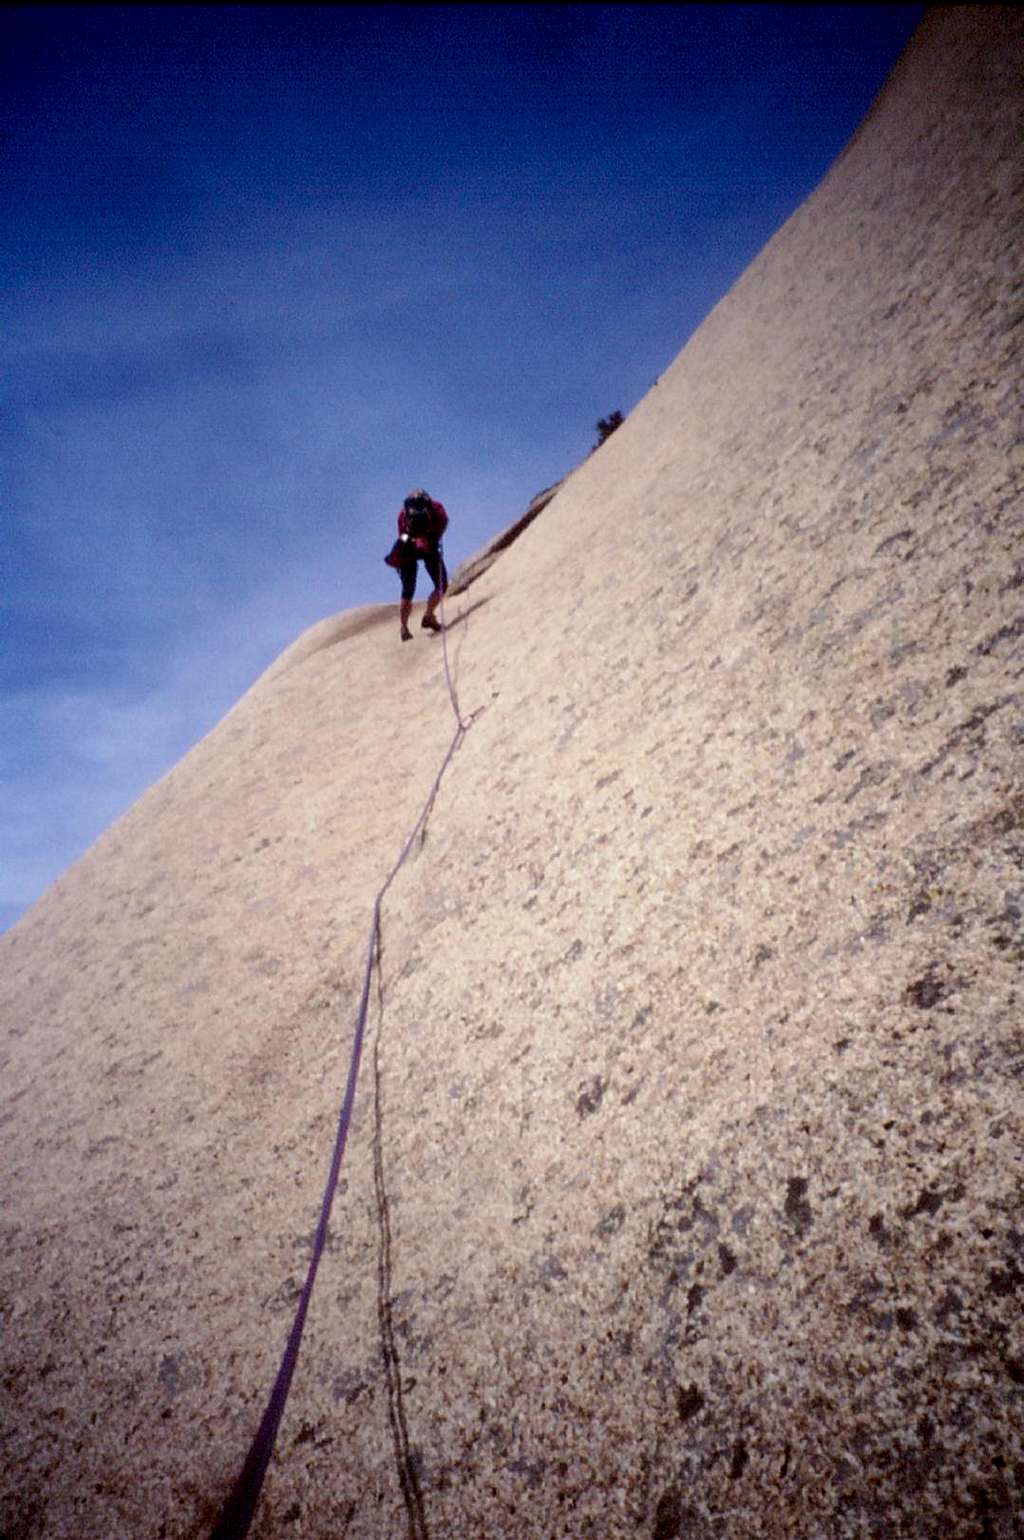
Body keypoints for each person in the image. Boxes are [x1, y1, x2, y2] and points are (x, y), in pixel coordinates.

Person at [387, 488, 450, 641]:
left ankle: (404, 628)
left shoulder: (403, 514)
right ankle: (429, 615)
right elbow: (443, 523)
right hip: (429, 544)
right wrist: (431, 541)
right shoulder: (436, 508)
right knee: (441, 584)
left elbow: (402, 535)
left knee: (407, 589)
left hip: (409, 546)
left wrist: (410, 544)